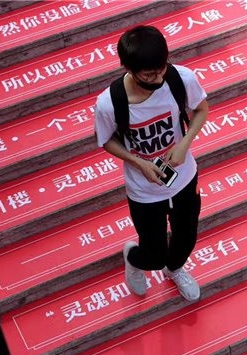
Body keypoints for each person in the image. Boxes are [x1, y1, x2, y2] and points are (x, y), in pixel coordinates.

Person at [94, 25, 209, 301]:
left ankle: (175, 268)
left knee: (186, 238)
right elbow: (106, 140)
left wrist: (184, 144)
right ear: (128, 68)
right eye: (149, 74)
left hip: (183, 177)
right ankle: (133, 259)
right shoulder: (110, 103)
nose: (158, 78)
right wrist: (138, 163)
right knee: (154, 253)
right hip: (143, 190)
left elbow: (201, 109)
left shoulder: (181, 78)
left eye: (161, 69)